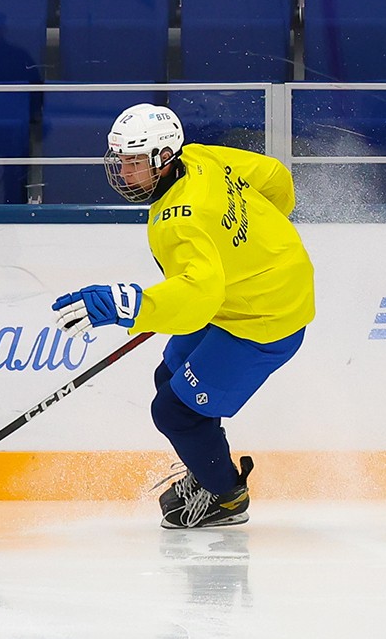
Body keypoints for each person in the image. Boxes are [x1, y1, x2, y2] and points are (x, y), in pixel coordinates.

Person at [51, 105, 314, 529]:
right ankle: (207, 468)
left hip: (264, 315)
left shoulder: (179, 221)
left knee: (174, 413)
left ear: (162, 159)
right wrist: (254, 242)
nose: (123, 170)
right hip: (250, 288)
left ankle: (226, 496)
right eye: (120, 159)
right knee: (170, 376)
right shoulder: (198, 157)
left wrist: (130, 306)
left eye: (134, 162)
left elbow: (197, 297)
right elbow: (273, 177)